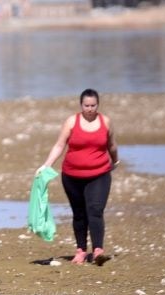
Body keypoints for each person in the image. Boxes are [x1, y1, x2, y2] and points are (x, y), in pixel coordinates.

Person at [37, 88, 119, 265]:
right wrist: (46, 165)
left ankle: (98, 251)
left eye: (93, 105)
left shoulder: (105, 122)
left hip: (100, 174)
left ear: (98, 105)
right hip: (72, 176)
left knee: (95, 210)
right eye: (86, 105)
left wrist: (116, 161)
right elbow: (60, 145)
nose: (90, 109)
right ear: (81, 105)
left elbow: (112, 145)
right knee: (79, 214)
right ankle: (81, 251)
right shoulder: (71, 122)